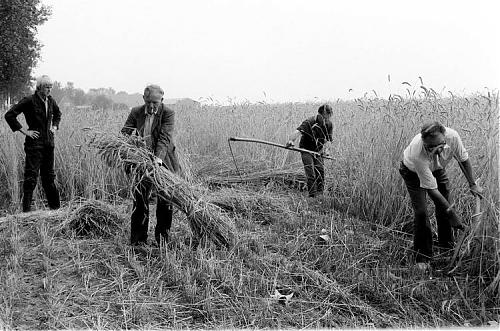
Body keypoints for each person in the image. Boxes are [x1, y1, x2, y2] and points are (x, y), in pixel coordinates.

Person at [399, 121, 483, 271]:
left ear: (444, 137)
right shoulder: (417, 153)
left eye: (438, 146)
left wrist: (472, 184)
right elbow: (433, 191)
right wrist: (453, 215)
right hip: (411, 172)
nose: (433, 150)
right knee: (421, 212)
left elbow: (463, 160)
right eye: (429, 147)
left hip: (436, 169)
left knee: (445, 205)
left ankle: (447, 247)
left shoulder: (453, 137)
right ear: (424, 142)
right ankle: (423, 257)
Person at [121, 84, 180, 247]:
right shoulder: (136, 112)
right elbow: (124, 133)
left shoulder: (168, 113)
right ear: (143, 99)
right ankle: (138, 240)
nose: (152, 106)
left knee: (165, 200)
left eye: (155, 102)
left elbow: (164, 138)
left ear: (162, 99)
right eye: (148, 102)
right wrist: (128, 147)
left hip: (163, 161)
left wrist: (158, 159)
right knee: (139, 199)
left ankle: (162, 240)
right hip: (141, 161)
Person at [4, 75, 61, 212]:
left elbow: (58, 114)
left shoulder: (51, 101)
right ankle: (26, 213)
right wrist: (25, 131)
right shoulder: (29, 100)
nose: (49, 90)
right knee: (31, 178)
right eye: (47, 87)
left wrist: (54, 127)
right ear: (40, 87)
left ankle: (56, 210)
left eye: (51, 87)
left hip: (49, 144)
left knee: (49, 178)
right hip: (34, 145)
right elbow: (9, 115)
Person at [286, 104, 333, 197]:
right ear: (320, 114)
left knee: (320, 171)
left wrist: (326, 150)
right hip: (306, 149)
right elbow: (298, 132)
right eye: (324, 117)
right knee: (310, 172)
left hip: (318, 151)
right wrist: (291, 141)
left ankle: (320, 194)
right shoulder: (309, 121)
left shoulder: (329, 124)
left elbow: (328, 140)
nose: (325, 120)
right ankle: (312, 195)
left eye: (328, 117)